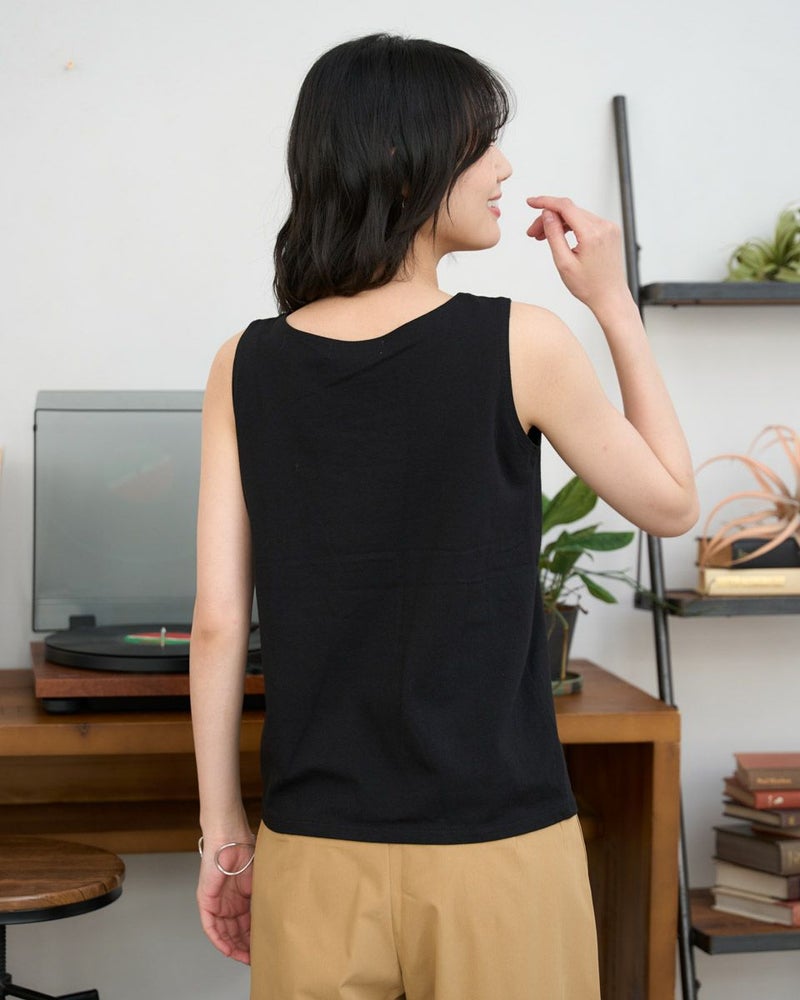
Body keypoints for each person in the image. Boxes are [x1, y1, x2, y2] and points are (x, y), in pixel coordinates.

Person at [190, 32, 698, 1000]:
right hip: (496, 849)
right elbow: (670, 504)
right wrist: (612, 303)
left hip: (312, 851)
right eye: (481, 143)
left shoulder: (242, 363)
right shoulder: (521, 343)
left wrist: (225, 834)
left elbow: (217, 623)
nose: (503, 168)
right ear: (403, 157)